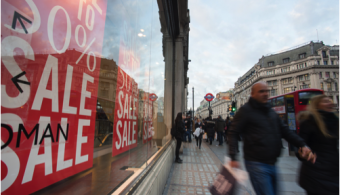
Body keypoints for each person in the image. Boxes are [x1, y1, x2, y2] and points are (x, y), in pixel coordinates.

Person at [227, 81, 315, 195]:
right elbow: (233, 132)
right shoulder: (245, 110)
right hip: (255, 163)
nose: (265, 94)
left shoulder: (270, 111)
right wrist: (233, 156)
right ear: (252, 94)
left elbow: (285, 131)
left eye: (266, 91)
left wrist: (302, 145)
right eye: (261, 91)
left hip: (272, 163)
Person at [296, 95, 340, 195]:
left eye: (330, 100)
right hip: (315, 172)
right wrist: (303, 153)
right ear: (317, 105)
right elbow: (301, 145)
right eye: (325, 101)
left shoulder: (335, 121)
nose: (330, 103)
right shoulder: (309, 122)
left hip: (334, 170)